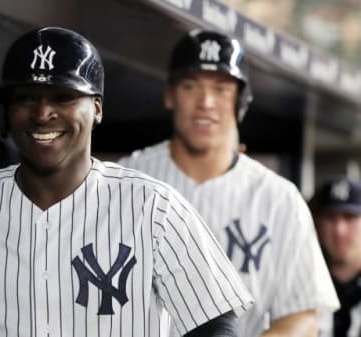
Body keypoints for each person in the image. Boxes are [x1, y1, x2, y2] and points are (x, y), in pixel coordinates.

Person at [0, 26, 254, 337]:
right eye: (25, 98)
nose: (42, 113)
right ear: (3, 111)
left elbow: (215, 328)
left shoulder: (155, 209)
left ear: (96, 108)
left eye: (63, 97)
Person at [118, 29, 340, 337]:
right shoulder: (123, 180)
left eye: (222, 88)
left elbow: (301, 317)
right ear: (170, 95)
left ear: (242, 102)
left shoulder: (279, 198)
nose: (206, 102)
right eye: (190, 85)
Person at [310, 177, 361, 337]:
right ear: (317, 223)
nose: (339, 230)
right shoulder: (302, 283)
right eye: (331, 218)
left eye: (349, 217)